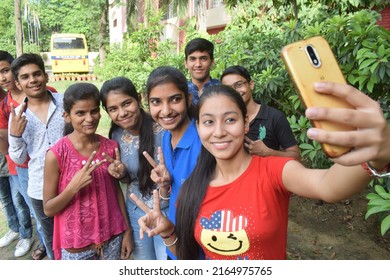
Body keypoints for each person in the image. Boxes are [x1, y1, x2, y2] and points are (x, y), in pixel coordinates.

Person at [130, 82, 390, 260]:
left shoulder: (273, 171)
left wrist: (379, 154)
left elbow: (328, 186)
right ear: (198, 128)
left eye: (230, 119)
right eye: (209, 122)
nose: (219, 131)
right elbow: (191, 260)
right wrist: (168, 232)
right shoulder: (191, 187)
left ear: (246, 124)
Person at [43, 82, 132, 260]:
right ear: (67, 116)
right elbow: (48, 209)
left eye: (94, 111)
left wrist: (127, 231)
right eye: (80, 113)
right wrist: (72, 187)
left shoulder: (110, 147)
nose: (89, 118)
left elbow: (116, 192)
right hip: (77, 245)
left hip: (112, 237)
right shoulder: (56, 155)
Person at [99, 77, 168, 260]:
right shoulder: (116, 134)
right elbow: (130, 178)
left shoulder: (163, 129)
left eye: (126, 103)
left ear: (138, 99)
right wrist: (121, 174)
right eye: (113, 109)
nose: (122, 113)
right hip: (137, 213)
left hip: (167, 211)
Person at [8, 53, 64, 259]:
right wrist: (14, 134)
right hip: (39, 188)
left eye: (36, 74)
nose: (32, 80)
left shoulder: (65, 103)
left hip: (71, 182)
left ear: (45, 76)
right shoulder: (17, 116)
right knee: (51, 239)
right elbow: (19, 159)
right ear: (18, 83)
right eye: (25, 77)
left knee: (77, 232)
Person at [145, 66, 203, 259]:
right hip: (175, 241)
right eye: (156, 102)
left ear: (188, 99)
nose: (166, 111)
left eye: (175, 99)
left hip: (203, 246)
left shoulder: (205, 140)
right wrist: (165, 185)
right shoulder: (165, 138)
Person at [0, 50, 50, 259]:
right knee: (35, 209)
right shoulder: (5, 105)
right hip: (22, 167)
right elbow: (7, 141)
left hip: (50, 164)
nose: (3, 77)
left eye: (5, 70)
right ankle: (45, 245)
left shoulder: (50, 95)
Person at [221, 65, 300, 159]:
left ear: (251, 84)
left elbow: (296, 157)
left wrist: (268, 152)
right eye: (228, 89)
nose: (234, 92)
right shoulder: (222, 121)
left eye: (239, 85)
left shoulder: (274, 117)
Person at [184, 38, 220, 105]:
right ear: (186, 63)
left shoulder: (222, 89)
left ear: (212, 62)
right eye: (192, 59)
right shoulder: (181, 91)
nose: (198, 64)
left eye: (203, 59)